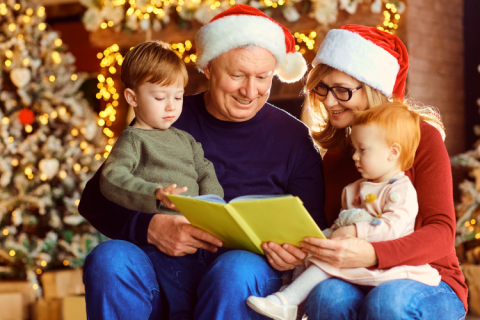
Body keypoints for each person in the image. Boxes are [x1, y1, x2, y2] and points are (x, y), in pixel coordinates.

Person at [79, 4, 326, 320]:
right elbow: (95, 198)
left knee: (236, 268)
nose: (250, 91)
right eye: (237, 75)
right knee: (110, 258)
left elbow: (315, 226)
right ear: (208, 68)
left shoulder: (295, 137)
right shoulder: (168, 115)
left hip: (245, 273)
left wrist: (294, 253)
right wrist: (151, 227)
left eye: (262, 77)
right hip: (165, 264)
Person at [297, 25, 467, 320]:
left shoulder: (420, 138)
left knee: (387, 301)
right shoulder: (336, 155)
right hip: (356, 275)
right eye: (323, 88)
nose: (328, 101)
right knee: (326, 297)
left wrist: (375, 254)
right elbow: (331, 228)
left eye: (342, 90)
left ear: (374, 88)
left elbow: (441, 232)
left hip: (428, 277)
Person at [247, 102, 442, 320]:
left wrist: (355, 232)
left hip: (390, 266)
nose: (355, 157)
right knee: (319, 263)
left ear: (392, 152)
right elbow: (341, 222)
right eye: (354, 149)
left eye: (362, 150)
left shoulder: (400, 189)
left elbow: (393, 228)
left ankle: (287, 301)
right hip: (354, 260)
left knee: (326, 264)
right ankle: (291, 301)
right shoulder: (354, 188)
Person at [100, 40, 224, 217]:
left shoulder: (186, 140)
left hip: (196, 226)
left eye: (178, 97)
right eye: (160, 98)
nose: (171, 107)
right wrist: (154, 193)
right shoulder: (133, 139)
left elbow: (206, 173)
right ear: (132, 98)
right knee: (111, 247)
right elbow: (111, 177)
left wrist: (214, 207)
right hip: (154, 234)